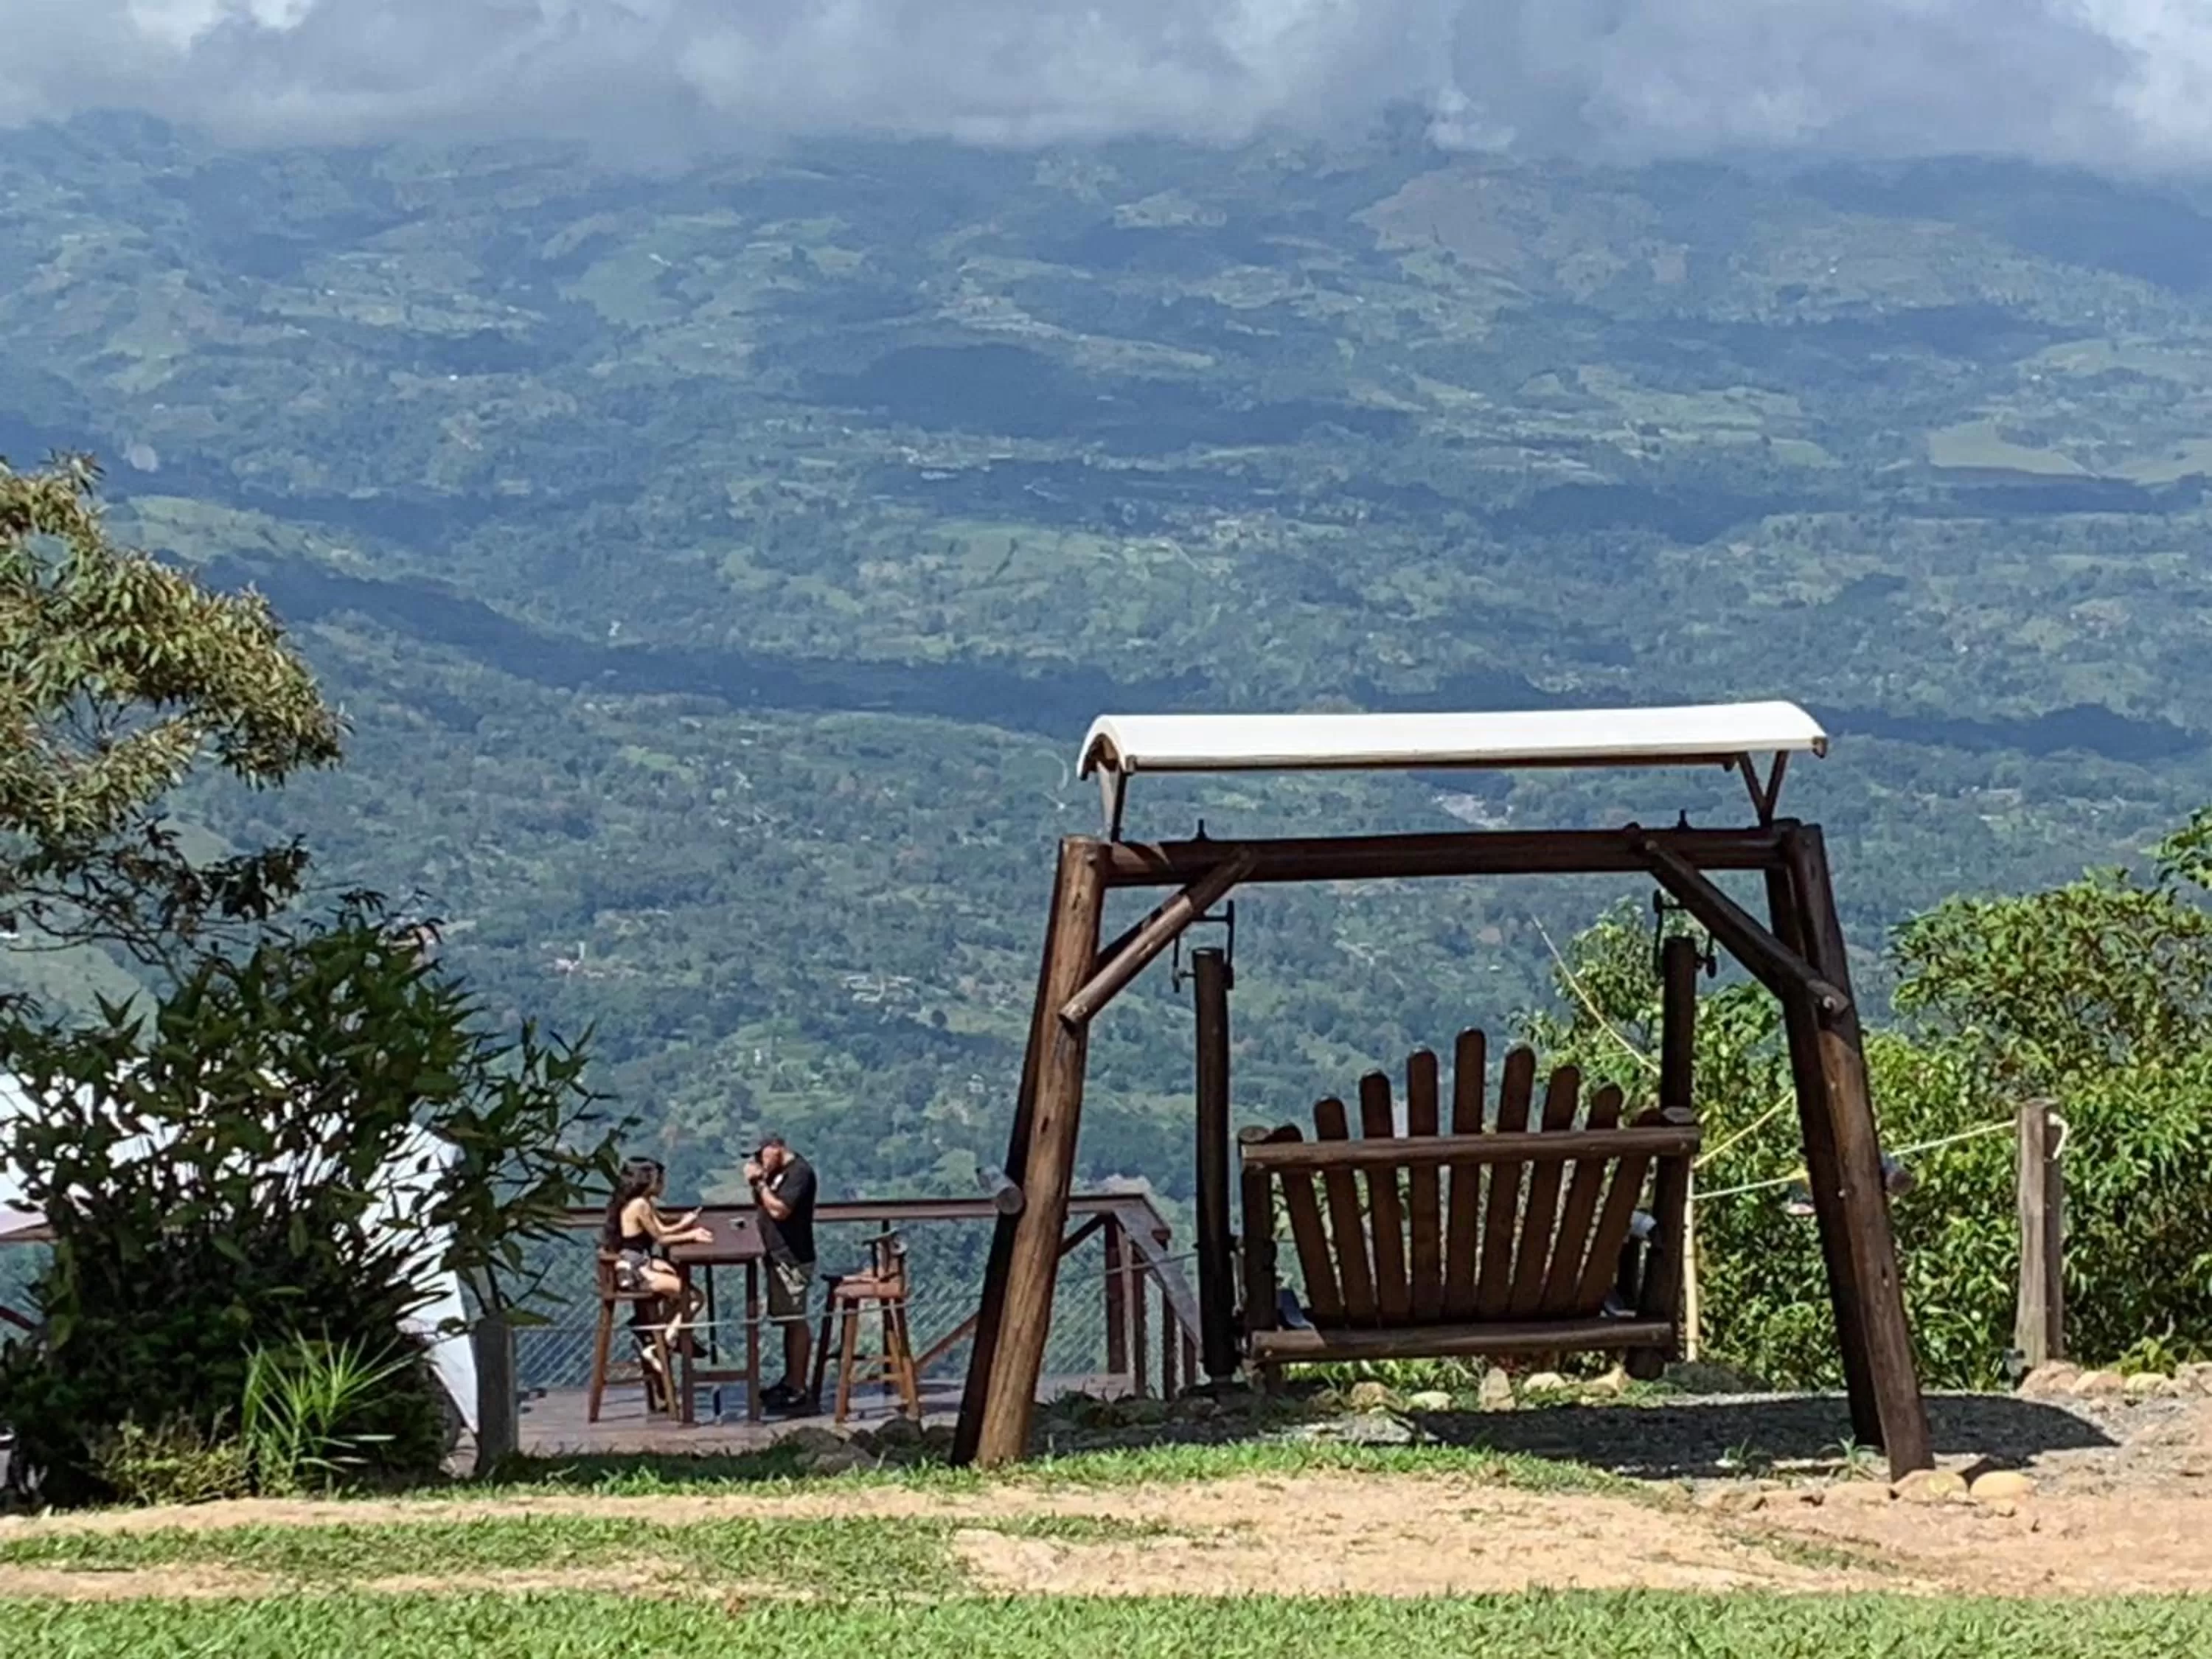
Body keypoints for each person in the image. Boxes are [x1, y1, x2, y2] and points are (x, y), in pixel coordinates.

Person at [600, 1158, 710, 1382]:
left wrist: (685, 1222)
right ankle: (662, 1345)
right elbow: (661, 1238)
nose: (663, 1186)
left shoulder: (640, 1202)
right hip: (637, 1269)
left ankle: (652, 1333)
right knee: (694, 1297)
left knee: (676, 1286)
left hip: (638, 1261)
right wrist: (692, 1235)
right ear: (649, 1181)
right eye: (660, 1181)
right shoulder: (640, 1205)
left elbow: (661, 1228)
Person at [745, 1134, 817, 1413]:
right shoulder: (778, 1174)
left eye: (759, 1155)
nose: (757, 1162)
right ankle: (790, 1381)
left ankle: (798, 1387)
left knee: (795, 1319)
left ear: (775, 1149)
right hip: (776, 1255)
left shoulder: (799, 1173)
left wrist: (759, 1182)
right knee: (787, 1319)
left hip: (792, 1256)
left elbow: (780, 1210)